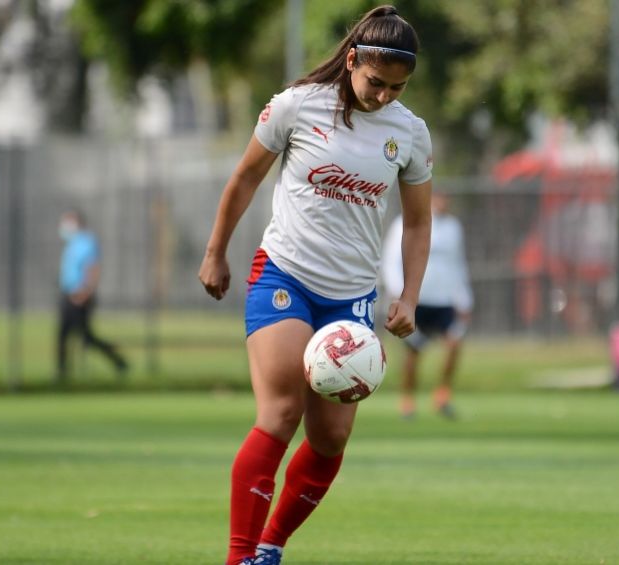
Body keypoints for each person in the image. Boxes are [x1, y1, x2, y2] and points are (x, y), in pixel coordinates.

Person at [198, 6, 432, 564]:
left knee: (330, 439)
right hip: (284, 276)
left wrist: (410, 297)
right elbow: (246, 176)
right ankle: (238, 558)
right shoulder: (297, 106)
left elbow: (419, 222)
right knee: (280, 414)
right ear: (352, 61)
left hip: (351, 299)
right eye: (376, 82)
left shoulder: (411, 133)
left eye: (397, 88)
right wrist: (215, 252)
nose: (383, 97)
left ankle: (270, 547)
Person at [381, 192, 473, 419]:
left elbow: (457, 263)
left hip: (444, 300)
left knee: (454, 344)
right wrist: (398, 292)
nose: (442, 203)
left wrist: (464, 297)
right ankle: (407, 401)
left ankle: (442, 396)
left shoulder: (453, 227)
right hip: (417, 300)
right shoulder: (404, 222)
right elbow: (391, 259)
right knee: (414, 352)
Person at [56, 209, 128, 383]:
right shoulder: (72, 243)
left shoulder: (87, 242)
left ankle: (118, 361)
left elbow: (93, 268)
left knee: (86, 338)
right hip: (68, 295)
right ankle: (61, 374)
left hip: (80, 296)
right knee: (63, 336)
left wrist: (85, 291)